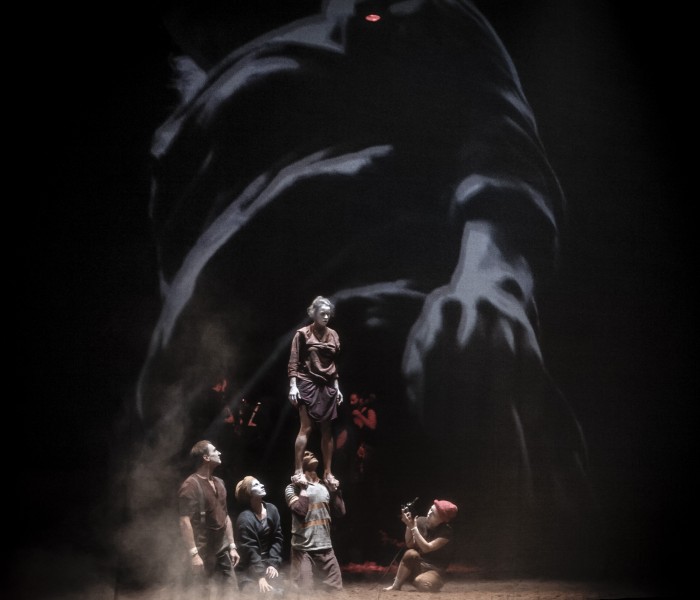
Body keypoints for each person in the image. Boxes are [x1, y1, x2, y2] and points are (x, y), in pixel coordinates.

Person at [136, 0, 592, 572]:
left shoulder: (390, 19)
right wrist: (164, 409)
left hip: (396, 329)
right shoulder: (181, 141)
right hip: (256, 378)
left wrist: (492, 281)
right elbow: (187, 309)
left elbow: (503, 152)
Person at [288, 296, 344, 487]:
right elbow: (293, 361)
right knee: (306, 427)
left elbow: (333, 365)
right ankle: (298, 471)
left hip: (327, 385)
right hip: (307, 382)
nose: (326, 317)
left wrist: (337, 387)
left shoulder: (334, 335)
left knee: (327, 430)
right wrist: (293, 385)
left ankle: (328, 472)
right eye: (322, 313)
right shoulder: (302, 334)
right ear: (313, 313)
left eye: (328, 314)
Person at [178, 440, 240, 598]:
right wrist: (194, 554)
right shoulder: (190, 485)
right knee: (203, 592)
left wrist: (232, 545)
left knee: (232, 589)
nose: (219, 453)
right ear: (206, 457)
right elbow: (184, 521)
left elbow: (225, 516)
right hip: (202, 547)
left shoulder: (220, 483)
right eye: (215, 451)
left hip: (221, 545)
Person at [285, 450, 346, 592]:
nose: (311, 454)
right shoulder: (292, 488)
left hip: (326, 548)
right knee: (304, 593)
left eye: (312, 454)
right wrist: (303, 489)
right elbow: (300, 512)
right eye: (305, 454)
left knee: (335, 591)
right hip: (303, 550)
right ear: (298, 463)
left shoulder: (324, 486)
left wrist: (334, 491)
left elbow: (341, 512)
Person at [382, 499, 458, 593]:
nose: (429, 513)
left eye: (433, 513)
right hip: (419, 565)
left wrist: (413, 528)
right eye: (430, 509)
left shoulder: (446, 531)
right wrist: (409, 525)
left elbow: (427, 548)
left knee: (422, 584)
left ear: (442, 519)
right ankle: (396, 585)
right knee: (410, 553)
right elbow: (410, 544)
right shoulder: (421, 521)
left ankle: (432, 581)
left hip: (434, 570)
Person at [234, 475, 285, 595]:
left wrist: (272, 563)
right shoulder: (245, 518)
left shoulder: (272, 509)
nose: (262, 485)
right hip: (249, 567)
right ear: (249, 493)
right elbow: (250, 548)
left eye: (260, 483)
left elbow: (277, 538)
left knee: (280, 591)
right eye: (256, 485)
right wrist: (260, 576)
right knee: (258, 593)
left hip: (268, 562)